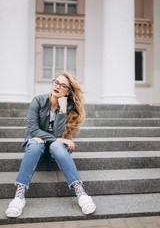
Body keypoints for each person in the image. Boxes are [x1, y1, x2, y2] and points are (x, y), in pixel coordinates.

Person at [5, 72, 96, 218]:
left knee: (56, 146)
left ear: (68, 91)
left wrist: (63, 109)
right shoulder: (38, 101)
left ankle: (81, 193)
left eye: (63, 85)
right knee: (35, 143)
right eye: (56, 82)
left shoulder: (68, 107)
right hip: (37, 148)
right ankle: (19, 195)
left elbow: (59, 134)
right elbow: (33, 129)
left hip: (55, 152)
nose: (57, 87)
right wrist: (55, 139)